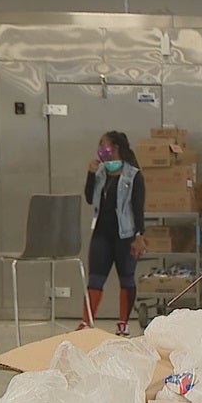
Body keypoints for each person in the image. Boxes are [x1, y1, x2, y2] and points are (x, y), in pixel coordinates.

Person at [81, 131, 146, 337]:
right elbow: (90, 198)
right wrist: (90, 174)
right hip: (101, 233)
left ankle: (123, 323)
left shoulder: (133, 175)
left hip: (125, 234)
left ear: (117, 148)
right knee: (95, 278)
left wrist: (139, 235)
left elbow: (138, 207)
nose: (101, 151)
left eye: (105, 146)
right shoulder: (100, 172)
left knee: (126, 278)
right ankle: (87, 321)